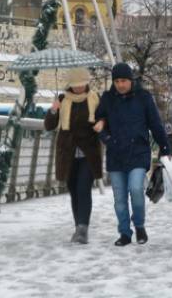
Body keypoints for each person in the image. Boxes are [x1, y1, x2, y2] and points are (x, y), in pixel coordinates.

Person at [94, 63, 172, 246]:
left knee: (136, 189)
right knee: (120, 198)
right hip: (115, 154)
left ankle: (139, 225)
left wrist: (165, 147)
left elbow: (155, 124)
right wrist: (105, 137)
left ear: (131, 80)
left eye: (124, 81)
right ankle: (124, 233)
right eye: (117, 81)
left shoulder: (144, 97)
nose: (120, 85)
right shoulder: (107, 99)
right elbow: (99, 122)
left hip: (138, 152)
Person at [43, 67, 102, 244]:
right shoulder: (62, 99)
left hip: (88, 152)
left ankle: (83, 229)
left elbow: (104, 118)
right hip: (67, 153)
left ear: (87, 83)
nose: (78, 88)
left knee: (84, 188)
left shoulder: (95, 99)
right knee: (74, 190)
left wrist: (102, 122)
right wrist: (53, 110)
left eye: (82, 84)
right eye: (75, 85)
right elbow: (49, 126)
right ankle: (79, 227)